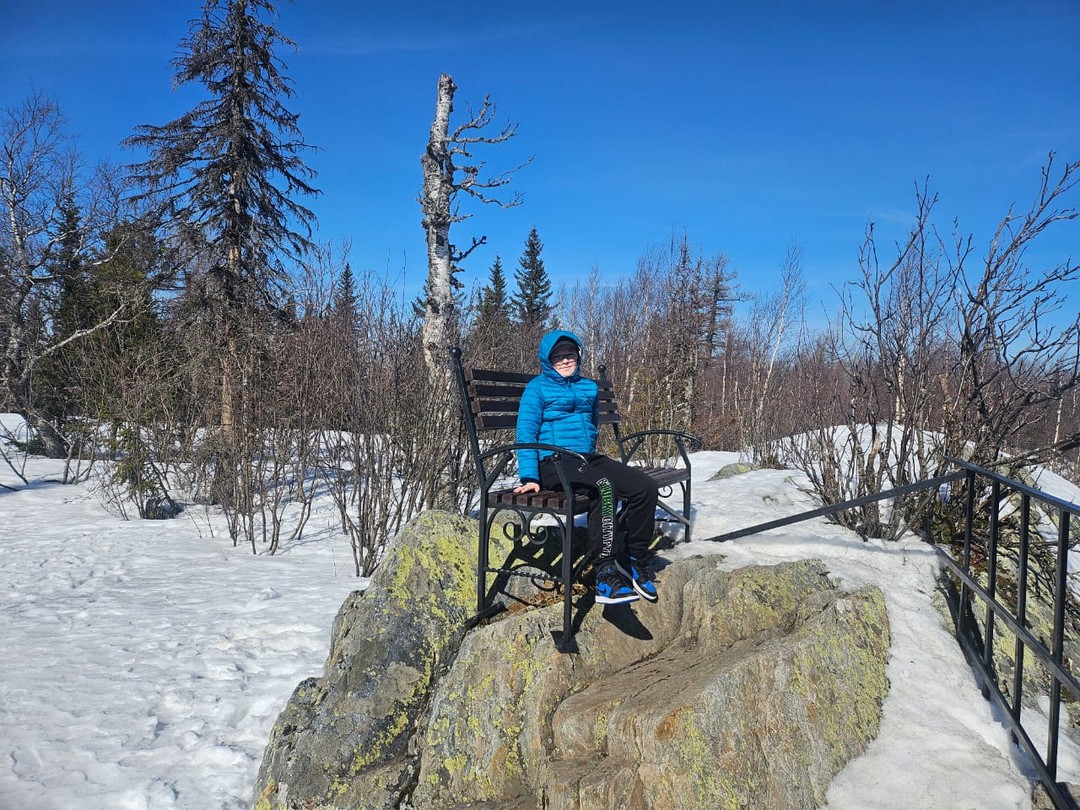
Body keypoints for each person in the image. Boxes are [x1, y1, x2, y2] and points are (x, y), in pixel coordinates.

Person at [513, 329, 660, 605]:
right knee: (604, 489)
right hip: (552, 462)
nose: (566, 361)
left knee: (644, 487)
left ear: (578, 356)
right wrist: (530, 475)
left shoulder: (589, 387)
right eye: (558, 357)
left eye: (570, 354)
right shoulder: (537, 388)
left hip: (584, 460)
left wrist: (590, 461)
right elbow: (526, 433)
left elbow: (592, 425)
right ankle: (605, 573)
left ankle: (635, 560)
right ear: (548, 360)